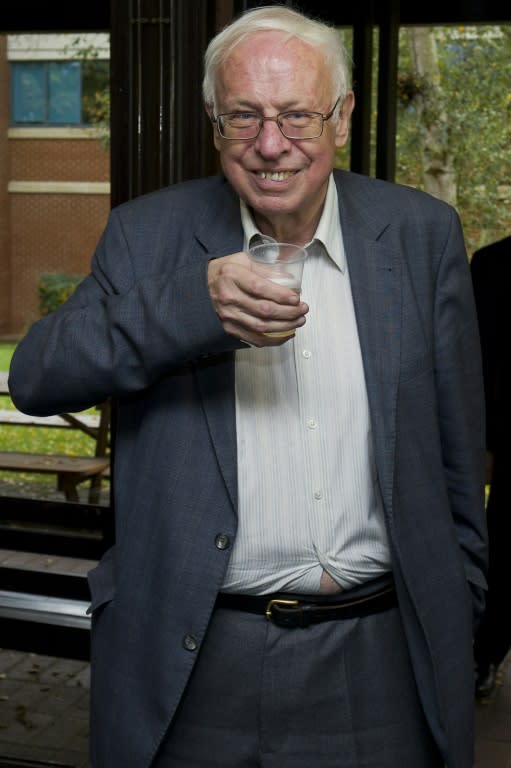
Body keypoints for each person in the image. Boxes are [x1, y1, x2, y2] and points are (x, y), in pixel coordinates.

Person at [8, 6, 487, 768]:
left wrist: (458, 601)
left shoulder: (420, 233)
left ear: (341, 116)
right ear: (212, 120)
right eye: (244, 117)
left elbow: (462, 451)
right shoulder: (147, 235)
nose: (271, 145)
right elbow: (34, 377)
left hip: (382, 654)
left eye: (296, 114)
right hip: (197, 653)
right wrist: (188, 307)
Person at [470, 236, 511, 698]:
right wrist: (480, 444)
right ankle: (483, 655)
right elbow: (478, 359)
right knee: (502, 552)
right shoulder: (495, 263)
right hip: (508, 439)